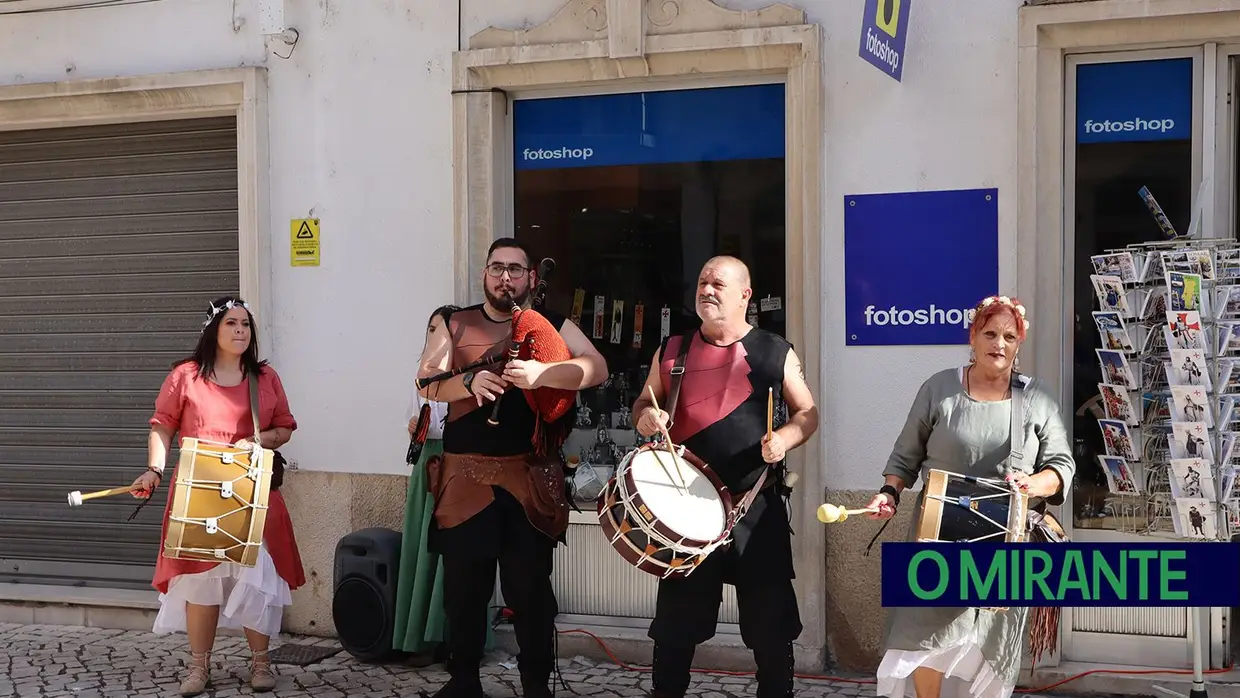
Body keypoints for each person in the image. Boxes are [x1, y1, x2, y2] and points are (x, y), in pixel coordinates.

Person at [418, 237, 609, 698]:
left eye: (516, 269)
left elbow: (596, 368)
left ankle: (536, 687)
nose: (506, 277)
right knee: (464, 593)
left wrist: (544, 374)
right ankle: (463, 684)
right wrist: (468, 380)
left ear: (531, 278)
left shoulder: (554, 324)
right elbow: (427, 381)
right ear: (485, 273)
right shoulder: (451, 322)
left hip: (528, 478)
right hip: (465, 479)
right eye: (497, 267)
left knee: (531, 594)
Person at [867, 295, 1076, 698]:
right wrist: (888, 494)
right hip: (936, 535)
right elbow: (905, 457)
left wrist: (1037, 483)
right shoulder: (939, 388)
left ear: (1019, 344)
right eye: (991, 333)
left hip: (1005, 540)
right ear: (973, 336)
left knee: (990, 639)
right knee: (924, 635)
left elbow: (1061, 466)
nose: (999, 343)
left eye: (1010, 337)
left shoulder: (1037, 397)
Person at [630, 255, 819, 698]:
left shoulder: (775, 351)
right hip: (687, 514)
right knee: (675, 632)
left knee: (772, 631)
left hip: (755, 508)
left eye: (718, 283)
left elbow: (807, 413)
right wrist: (644, 417)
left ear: (745, 295)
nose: (707, 290)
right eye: (702, 282)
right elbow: (644, 402)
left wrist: (786, 440)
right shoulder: (673, 350)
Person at [128, 296, 305, 696]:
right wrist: (155, 469)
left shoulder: (265, 377)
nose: (241, 331)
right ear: (213, 330)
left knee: (256, 576)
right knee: (200, 583)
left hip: (250, 489)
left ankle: (261, 664)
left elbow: (285, 427)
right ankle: (199, 668)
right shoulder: (185, 376)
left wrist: (257, 439)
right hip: (199, 491)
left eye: (246, 324)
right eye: (232, 324)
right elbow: (163, 425)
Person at [393, 304, 458, 663]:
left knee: (458, 554)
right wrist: (417, 426)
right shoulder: (422, 373)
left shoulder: (471, 371)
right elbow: (416, 419)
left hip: (460, 462)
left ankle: (453, 638)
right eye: (432, 329)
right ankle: (420, 637)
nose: (437, 336)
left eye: (444, 329)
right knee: (424, 546)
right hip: (428, 464)